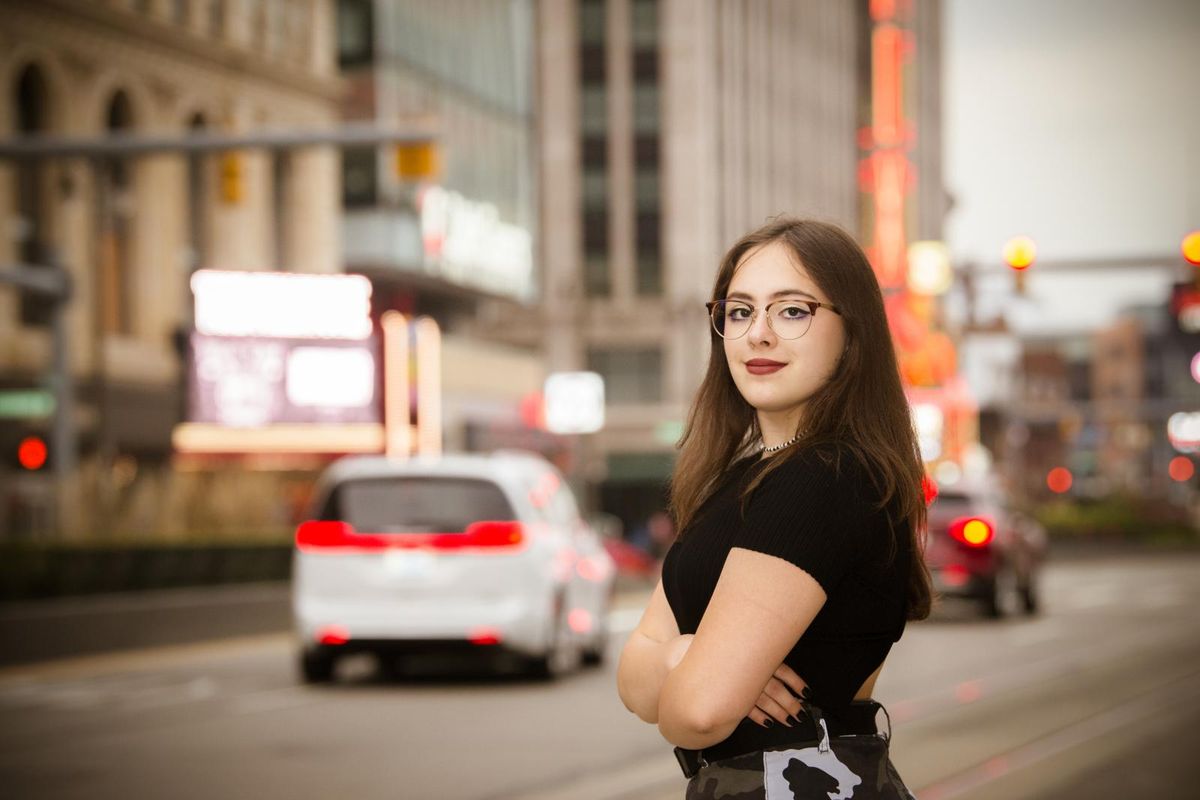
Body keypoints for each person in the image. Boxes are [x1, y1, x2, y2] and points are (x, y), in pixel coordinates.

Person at [616, 217, 931, 799]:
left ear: (852, 330)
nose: (758, 334)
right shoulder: (735, 479)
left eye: (792, 311)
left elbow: (698, 712)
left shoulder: (828, 477)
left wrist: (685, 669)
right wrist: (685, 654)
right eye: (739, 311)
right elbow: (634, 677)